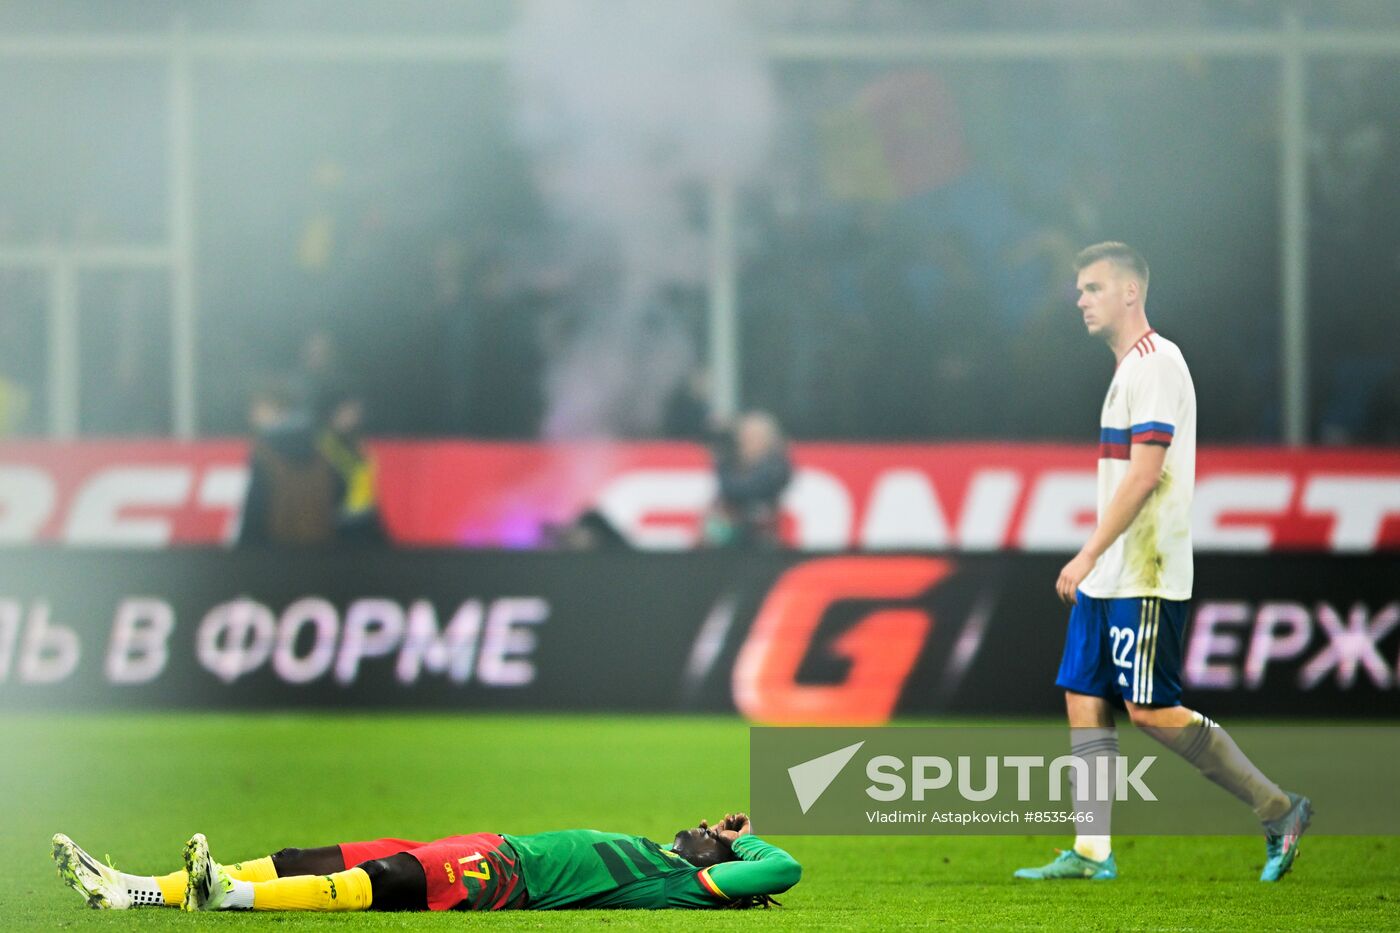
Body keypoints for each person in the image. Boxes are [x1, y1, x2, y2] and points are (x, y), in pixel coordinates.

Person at [1014, 243, 1311, 883]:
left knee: (1150, 709)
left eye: (1092, 288)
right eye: (1079, 289)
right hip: (1113, 572)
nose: (1080, 300)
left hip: (1144, 568)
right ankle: (1092, 852)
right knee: (1083, 693)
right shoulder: (1128, 369)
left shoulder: (1157, 363)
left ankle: (1278, 808)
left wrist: (1089, 549)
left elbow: (1147, 474)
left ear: (1129, 292)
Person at [51, 812, 799, 913]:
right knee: (306, 855)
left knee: (380, 884)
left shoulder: (682, 881)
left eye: (716, 833)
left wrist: (748, 841)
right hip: (493, 845)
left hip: (507, 875)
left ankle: (228, 897)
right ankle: (135, 889)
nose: (707, 825)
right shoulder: (664, 853)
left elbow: (784, 869)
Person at [704, 411, 794, 548]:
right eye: (745, 436)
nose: (747, 441)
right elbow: (723, 485)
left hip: (763, 534)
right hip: (730, 533)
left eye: (754, 436)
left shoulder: (777, 466)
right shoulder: (730, 462)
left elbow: (748, 489)